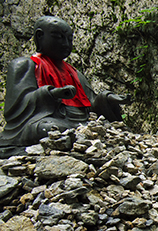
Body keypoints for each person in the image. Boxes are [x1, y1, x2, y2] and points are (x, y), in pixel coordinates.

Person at [0, 15, 130, 157]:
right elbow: (14, 108)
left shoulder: (74, 73)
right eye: (58, 37)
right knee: (47, 129)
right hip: (47, 119)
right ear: (39, 36)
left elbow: (91, 104)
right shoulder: (24, 65)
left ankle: (81, 134)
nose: (66, 43)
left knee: (106, 127)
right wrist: (51, 93)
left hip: (80, 121)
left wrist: (107, 98)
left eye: (69, 39)